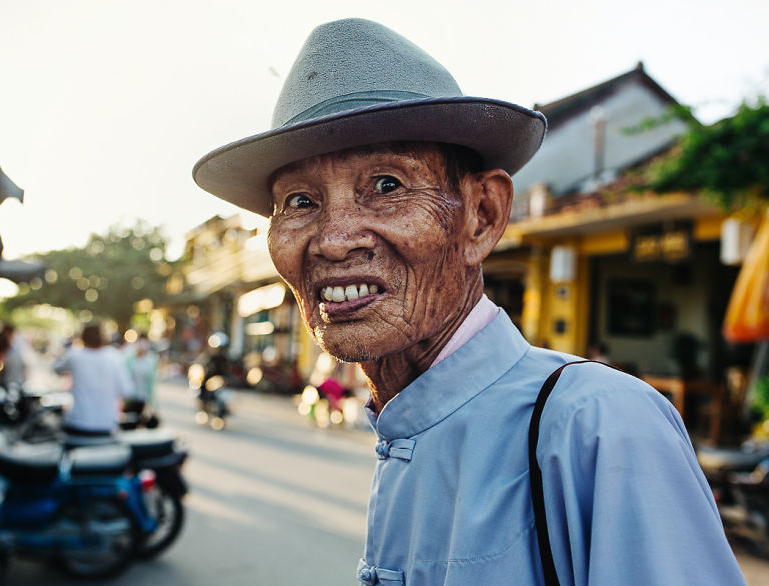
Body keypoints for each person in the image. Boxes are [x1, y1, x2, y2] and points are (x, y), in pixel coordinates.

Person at [192, 18, 745, 585]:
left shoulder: (597, 424)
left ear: (482, 216)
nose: (334, 240)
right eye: (301, 200)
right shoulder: (400, 422)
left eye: (387, 185)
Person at [53, 322, 134, 435]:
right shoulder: (115, 357)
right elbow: (127, 390)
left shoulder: (74, 356)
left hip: (77, 421)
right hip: (106, 424)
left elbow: (56, 368)